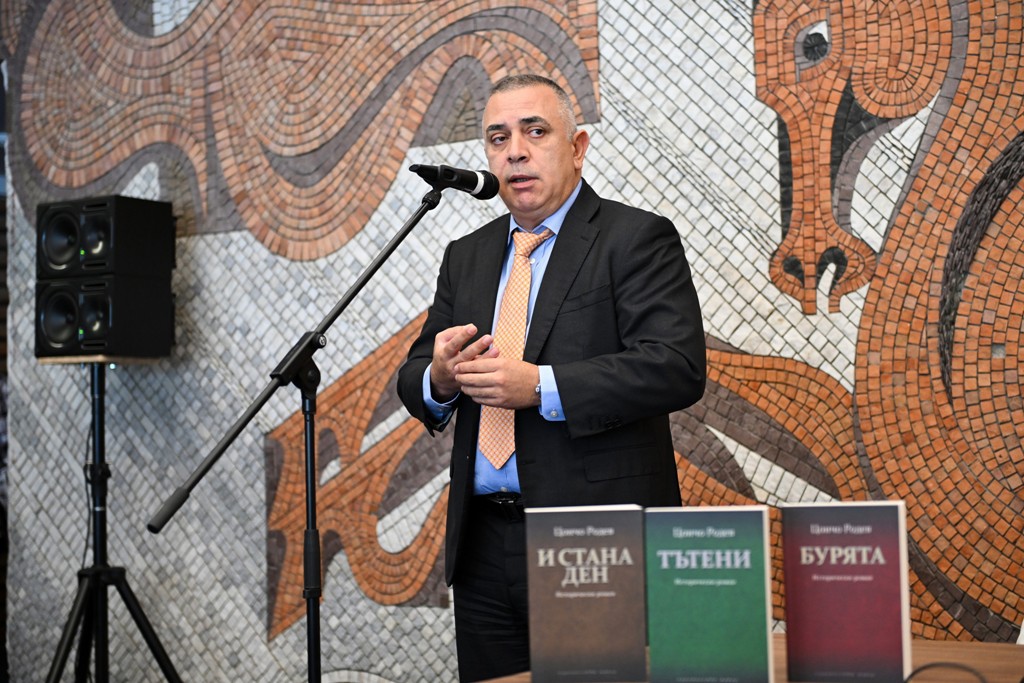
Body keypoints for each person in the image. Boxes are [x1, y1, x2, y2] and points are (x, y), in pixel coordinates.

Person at [397, 74, 706, 681]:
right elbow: (416, 376)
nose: (515, 151)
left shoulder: (635, 238)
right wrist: (440, 376)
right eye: (498, 138)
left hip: (596, 541)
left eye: (535, 131)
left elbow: (675, 366)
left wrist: (540, 386)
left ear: (577, 146)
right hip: (483, 547)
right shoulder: (467, 255)